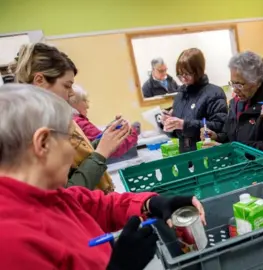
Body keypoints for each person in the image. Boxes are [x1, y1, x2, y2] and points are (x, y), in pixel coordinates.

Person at [0, 84, 206, 270]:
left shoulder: (51, 196)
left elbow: (102, 206)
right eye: (69, 139)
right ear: (43, 143)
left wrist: (153, 203)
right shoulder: (10, 242)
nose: (72, 153)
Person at [14, 43, 126, 192]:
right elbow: (65, 195)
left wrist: (106, 139)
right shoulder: (30, 132)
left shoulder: (55, 117)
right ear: (39, 80)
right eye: (67, 86)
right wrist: (100, 154)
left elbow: (75, 160)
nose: (71, 93)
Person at [201, 51, 263, 198]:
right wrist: (217, 137)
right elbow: (231, 135)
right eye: (232, 83)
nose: (235, 90)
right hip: (244, 183)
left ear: (257, 81)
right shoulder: (236, 102)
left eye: (240, 84)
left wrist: (230, 150)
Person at [163, 48, 227, 153]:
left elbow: (220, 126)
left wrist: (184, 125)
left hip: (205, 153)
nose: (183, 79)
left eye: (187, 74)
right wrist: (168, 123)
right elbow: (177, 133)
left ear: (198, 71)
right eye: (180, 75)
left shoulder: (214, 93)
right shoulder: (180, 95)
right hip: (184, 154)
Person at [70, 84, 140, 158]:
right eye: (84, 100)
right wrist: (133, 132)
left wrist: (112, 128)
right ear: (74, 103)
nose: (88, 106)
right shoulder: (80, 123)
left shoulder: (74, 121)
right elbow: (109, 147)